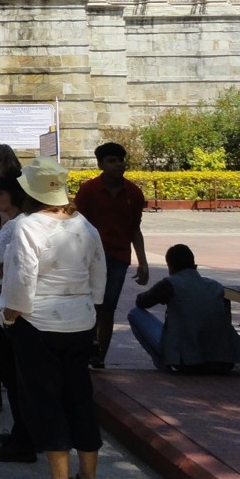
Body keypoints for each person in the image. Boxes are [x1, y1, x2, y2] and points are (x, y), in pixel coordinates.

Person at [1, 155, 106, 479]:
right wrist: (90, 304)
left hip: (38, 323)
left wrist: (10, 314)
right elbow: (98, 272)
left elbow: (21, 277)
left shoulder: (26, 226)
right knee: (79, 397)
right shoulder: (84, 224)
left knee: (46, 402)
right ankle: (89, 478)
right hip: (80, 320)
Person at [72, 142, 149, 369]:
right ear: (101, 164)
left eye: (120, 160)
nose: (118, 164)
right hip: (88, 258)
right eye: (111, 161)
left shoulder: (133, 193)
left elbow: (135, 228)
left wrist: (142, 261)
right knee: (87, 304)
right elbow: (76, 224)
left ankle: (100, 357)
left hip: (118, 258)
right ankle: (85, 348)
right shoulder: (88, 190)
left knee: (108, 307)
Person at [128, 244, 240, 373]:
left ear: (171, 268)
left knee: (135, 314)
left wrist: (161, 295)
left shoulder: (170, 284)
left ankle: (164, 363)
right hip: (223, 360)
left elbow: (142, 302)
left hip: (186, 361)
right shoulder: (215, 286)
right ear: (194, 265)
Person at [0, 173, 38, 463]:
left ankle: (24, 438)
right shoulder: (18, 224)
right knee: (17, 379)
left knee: (14, 378)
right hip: (15, 304)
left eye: (1, 193)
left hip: (8, 307)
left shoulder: (17, 226)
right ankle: (23, 431)